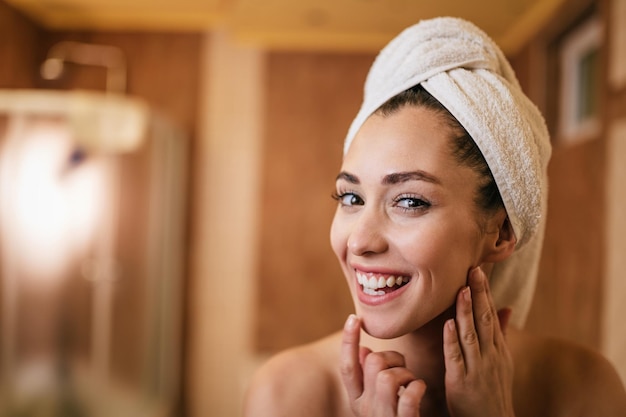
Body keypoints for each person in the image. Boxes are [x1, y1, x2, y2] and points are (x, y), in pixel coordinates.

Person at [244, 17, 626, 417]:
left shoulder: (582, 389)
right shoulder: (286, 395)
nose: (359, 241)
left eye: (409, 202)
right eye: (351, 197)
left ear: (502, 231)